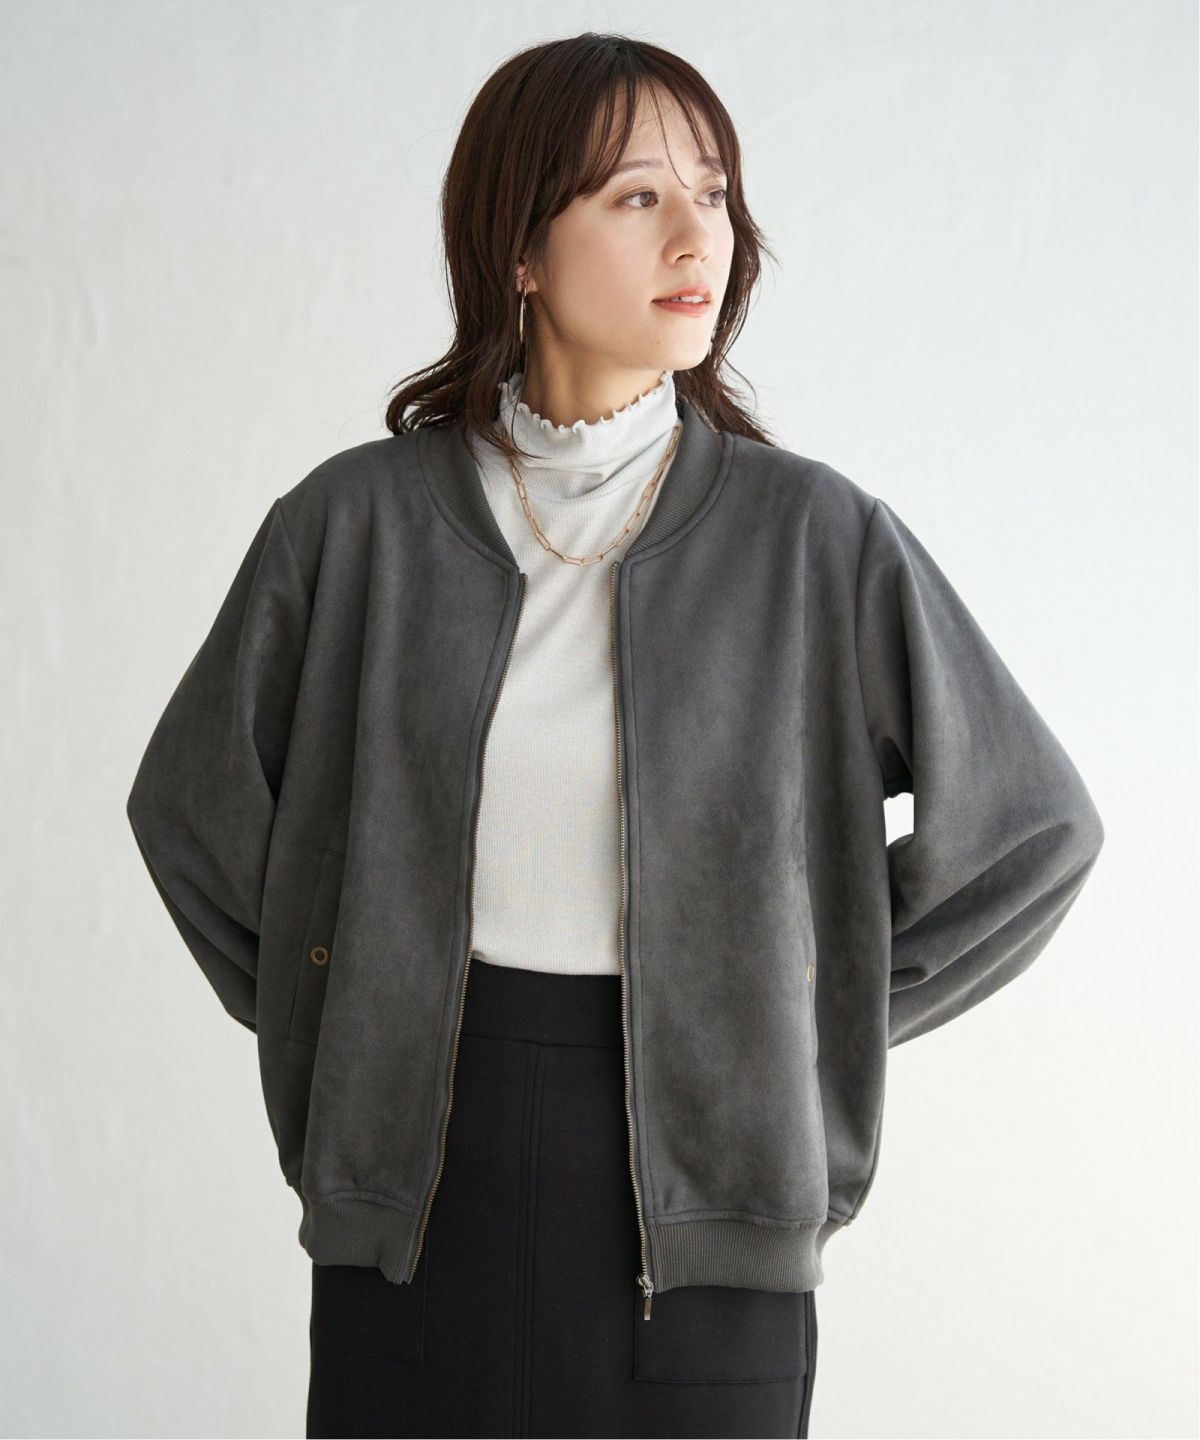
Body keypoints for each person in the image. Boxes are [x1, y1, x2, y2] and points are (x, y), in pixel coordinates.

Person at [126, 33, 1105, 1440]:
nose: (698, 234)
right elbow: (192, 812)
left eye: (714, 193)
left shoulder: (812, 539)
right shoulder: (353, 527)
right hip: (416, 1194)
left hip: (709, 1206)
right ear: (520, 247)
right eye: (637, 196)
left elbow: (1031, 830)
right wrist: (350, 1006)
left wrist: (795, 1004)